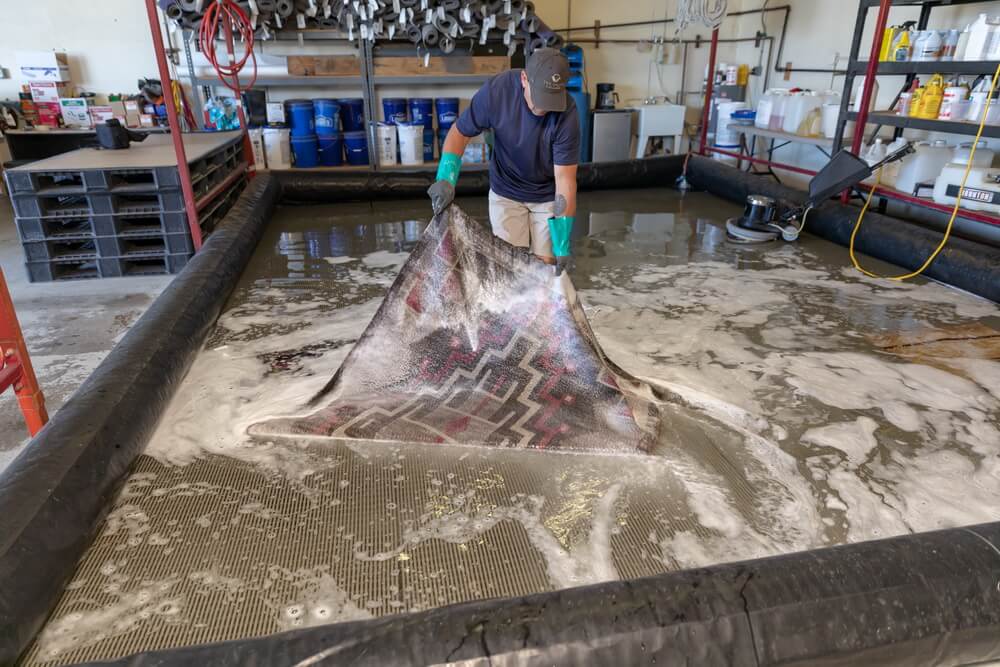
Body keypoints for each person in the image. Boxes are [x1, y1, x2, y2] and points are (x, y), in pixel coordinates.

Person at [427, 48, 580, 274]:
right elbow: (459, 133)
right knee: (510, 266)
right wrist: (445, 178)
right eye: (538, 98)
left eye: (550, 101)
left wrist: (562, 242)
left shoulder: (567, 113)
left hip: (546, 194)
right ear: (524, 79)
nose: (542, 108)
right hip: (506, 190)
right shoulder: (497, 93)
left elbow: (565, 180)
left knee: (545, 268)